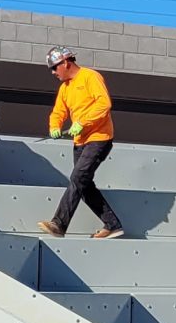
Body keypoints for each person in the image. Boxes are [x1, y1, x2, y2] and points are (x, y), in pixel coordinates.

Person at [42, 46, 126, 238]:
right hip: (80, 141)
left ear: (66, 63)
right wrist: (54, 126)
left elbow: (104, 104)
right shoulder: (65, 88)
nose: (53, 72)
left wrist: (82, 122)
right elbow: (58, 112)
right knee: (83, 184)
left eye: (54, 67)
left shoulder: (90, 77)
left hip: (99, 138)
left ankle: (59, 224)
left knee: (78, 178)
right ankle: (113, 225)